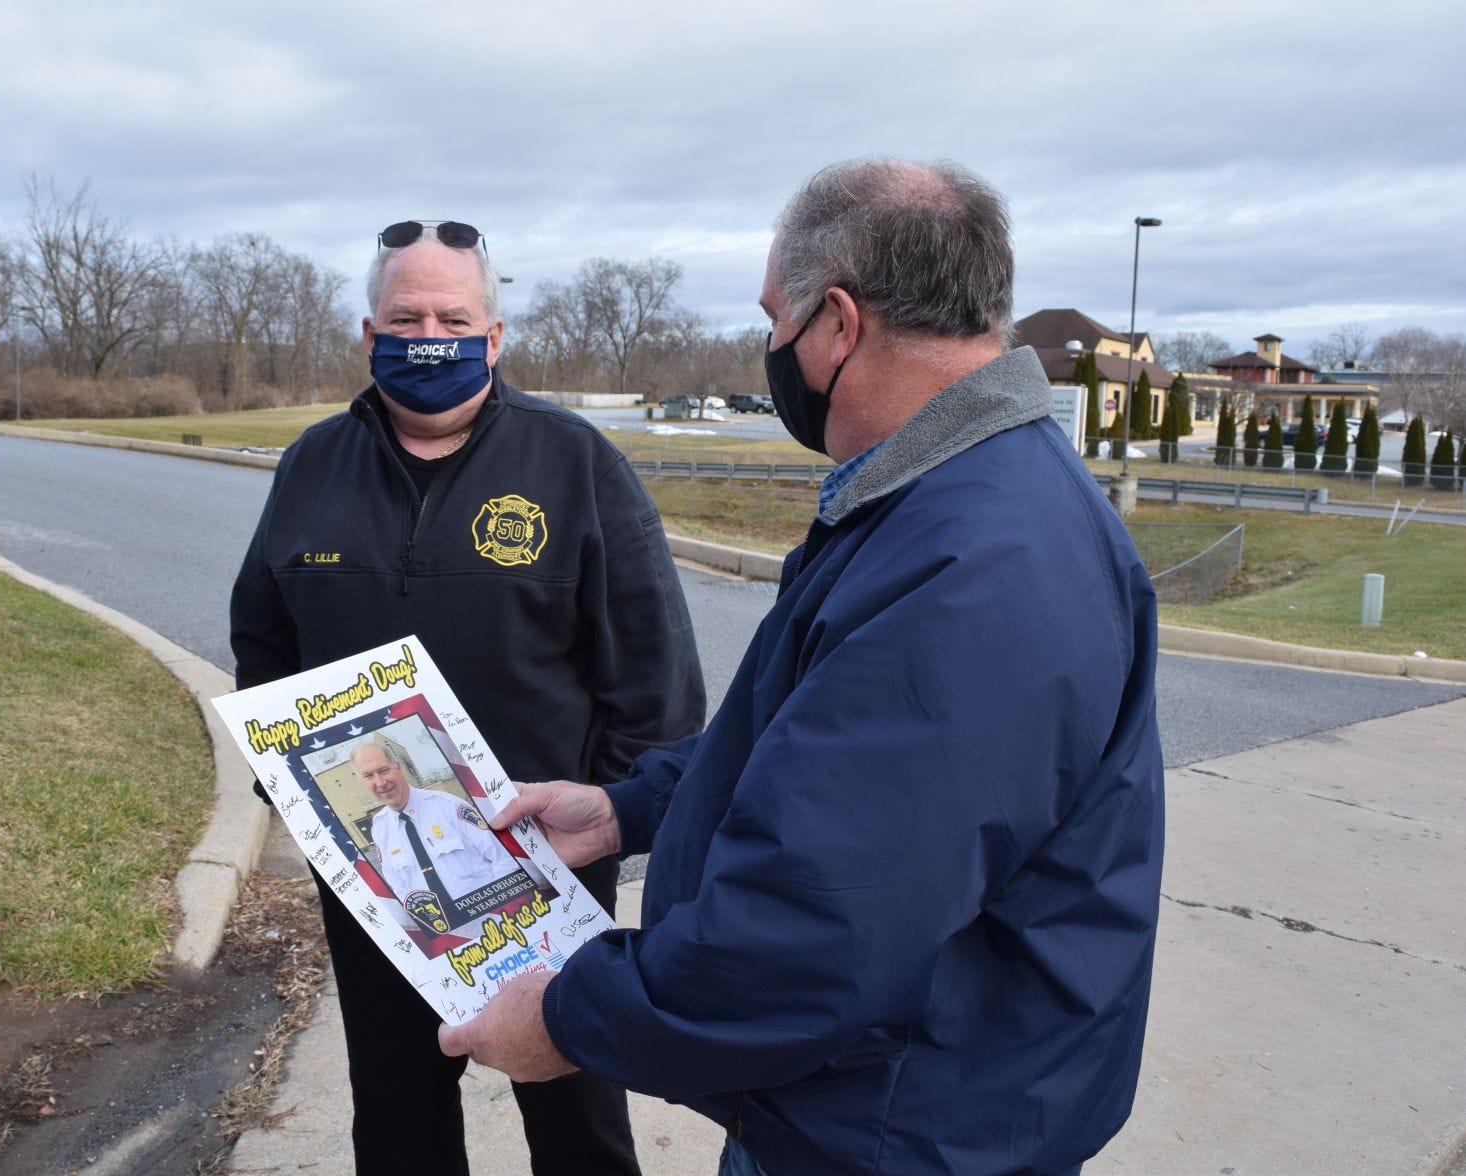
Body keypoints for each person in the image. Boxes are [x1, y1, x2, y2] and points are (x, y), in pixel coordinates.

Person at [439, 161, 1166, 1176]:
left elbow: (816, 920)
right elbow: (819, 753)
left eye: (772, 318)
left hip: (906, 1129)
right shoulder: (942, 502)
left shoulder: (980, 563)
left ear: (833, 326)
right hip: (880, 1101)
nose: (769, 346)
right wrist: (625, 809)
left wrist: (568, 1019)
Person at [231, 218, 705, 1176]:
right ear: (369, 335)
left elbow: (655, 679)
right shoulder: (313, 466)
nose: (430, 333)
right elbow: (265, 640)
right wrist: (297, 790)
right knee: (398, 1109)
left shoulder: (574, 464)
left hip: (545, 864)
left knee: (575, 1112)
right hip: (379, 875)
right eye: (407, 316)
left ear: (494, 336)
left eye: (455, 315)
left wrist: (613, 818)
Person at [352, 735, 526, 925]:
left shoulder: (448, 806)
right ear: (363, 781)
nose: (380, 782)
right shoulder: (380, 828)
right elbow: (400, 887)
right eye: (369, 776)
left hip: (497, 918)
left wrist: (503, 912)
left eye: (383, 770)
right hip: (445, 932)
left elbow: (504, 860)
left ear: (398, 767)